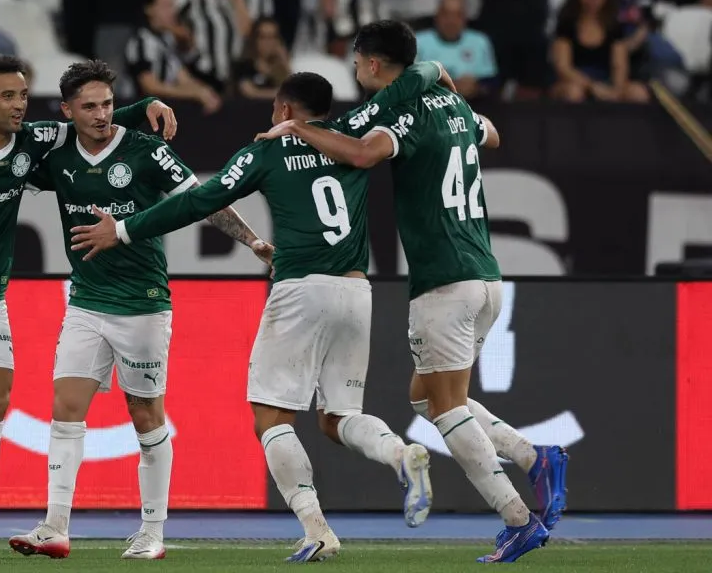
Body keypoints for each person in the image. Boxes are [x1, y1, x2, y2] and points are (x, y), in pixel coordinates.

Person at [66, 68, 451, 563]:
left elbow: (199, 200)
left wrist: (121, 230)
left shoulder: (266, 151)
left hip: (300, 289)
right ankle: (400, 454)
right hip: (357, 291)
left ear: (286, 110)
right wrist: (434, 70)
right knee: (340, 417)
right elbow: (403, 88)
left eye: (274, 108)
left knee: (270, 417)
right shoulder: (353, 132)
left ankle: (317, 529)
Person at [0, 60, 269, 561]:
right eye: (89, 106)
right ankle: (55, 525)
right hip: (85, 301)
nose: (102, 115)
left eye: (107, 104)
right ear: (66, 112)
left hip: (143, 303)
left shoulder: (146, 150)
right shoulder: (55, 153)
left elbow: (205, 198)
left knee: (146, 414)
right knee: (65, 409)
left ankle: (152, 530)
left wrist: (253, 240)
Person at [250, 21, 570, 563]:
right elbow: (492, 135)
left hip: (443, 280)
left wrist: (300, 130)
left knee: (444, 412)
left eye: (356, 62)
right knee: (425, 395)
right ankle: (526, 451)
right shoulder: (456, 107)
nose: (354, 72)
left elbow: (362, 154)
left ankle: (519, 513)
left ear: (374, 65)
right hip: (487, 275)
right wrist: (445, 93)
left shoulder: (405, 114)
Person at [0, 54, 177, 560]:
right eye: (9, 95)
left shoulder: (34, 139)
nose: (20, 104)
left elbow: (96, 118)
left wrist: (145, 105)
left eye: (24, 95)